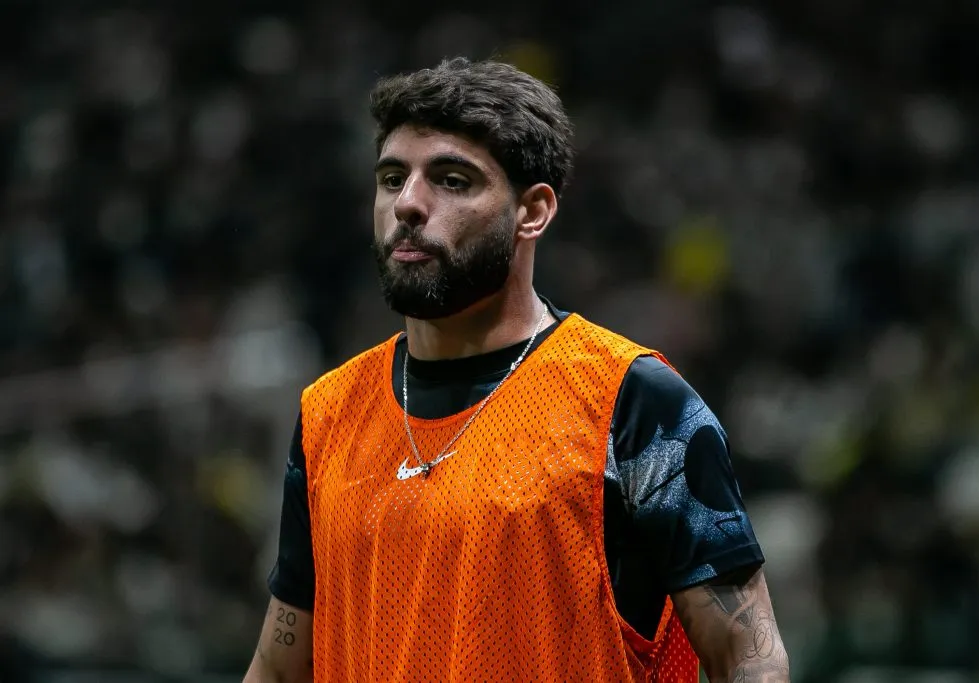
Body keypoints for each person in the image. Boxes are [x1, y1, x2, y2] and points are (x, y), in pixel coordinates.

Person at [243, 57, 789, 683]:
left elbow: (751, 658)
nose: (409, 204)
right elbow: (280, 667)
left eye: (451, 180)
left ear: (532, 211)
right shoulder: (327, 414)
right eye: (393, 178)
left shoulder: (632, 400)